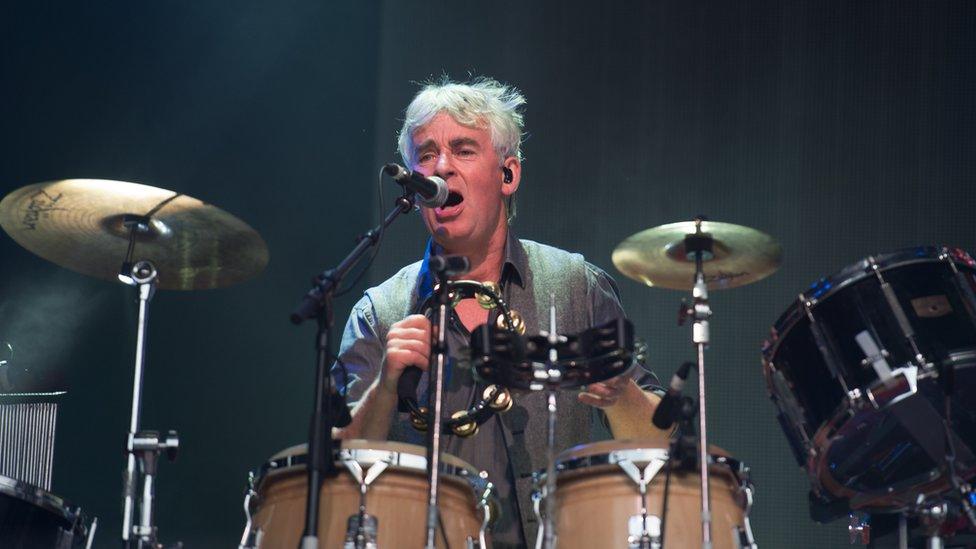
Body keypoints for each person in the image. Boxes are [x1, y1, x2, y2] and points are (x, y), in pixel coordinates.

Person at [333, 76, 670, 547]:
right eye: (426, 155)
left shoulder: (576, 287)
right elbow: (335, 478)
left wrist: (619, 391)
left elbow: (662, 448)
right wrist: (385, 387)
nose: (441, 168)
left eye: (464, 150)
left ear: (508, 175)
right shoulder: (379, 311)